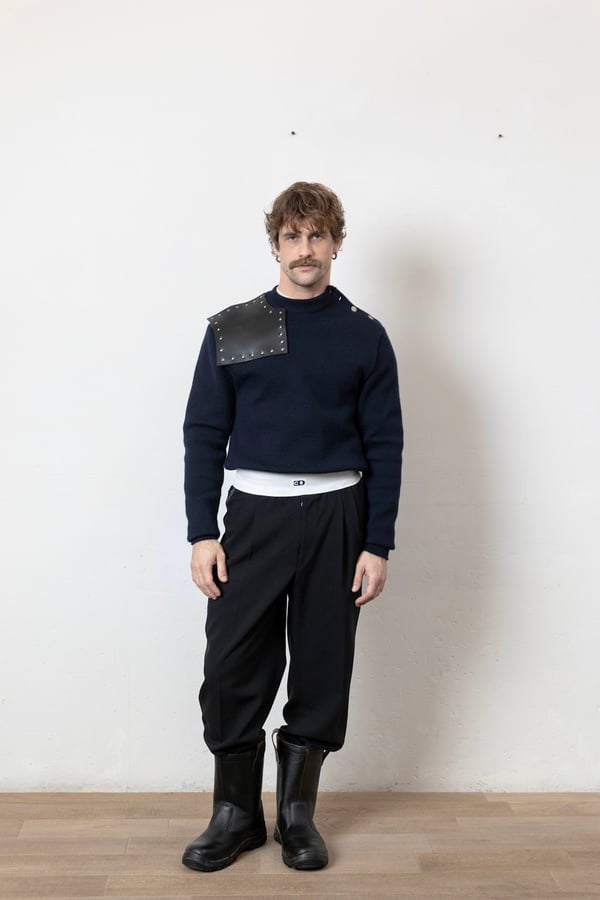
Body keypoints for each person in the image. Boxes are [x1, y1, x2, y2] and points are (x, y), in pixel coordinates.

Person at [181, 181, 403, 872]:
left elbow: (386, 444)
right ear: (275, 244)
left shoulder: (364, 335)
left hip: (339, 516)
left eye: (317, 236)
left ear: (336, 242)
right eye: (292, 236)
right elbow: (204, 432)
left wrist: (377, 543)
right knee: (231, 665)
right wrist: (201, 532)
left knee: (323, 663)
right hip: (253, 516)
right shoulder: (237, 326)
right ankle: (235, 814)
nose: (305, 249)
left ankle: (297, 816)